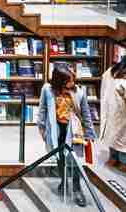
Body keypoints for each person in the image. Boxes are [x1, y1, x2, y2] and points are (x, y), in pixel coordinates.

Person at [37, 65, 96, 207]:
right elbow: (43, 109)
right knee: (60, 157)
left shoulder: (79, 93)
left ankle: (77, 189)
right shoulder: (48, 90)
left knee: (75, 160)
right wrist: (42, 129)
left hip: (74, 130)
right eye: (70, 80)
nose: (73, 83)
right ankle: (63, 181)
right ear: (60, 81)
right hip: (56, 129)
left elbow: (86, 113)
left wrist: (89, 133)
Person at [100, 55, 126, 173]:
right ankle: (124, 162)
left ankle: (113, 158)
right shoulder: (125, 79)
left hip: (110, 109)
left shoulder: (109, 72)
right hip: (123, 113)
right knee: (124, 138)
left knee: (112, 134)